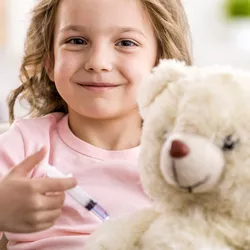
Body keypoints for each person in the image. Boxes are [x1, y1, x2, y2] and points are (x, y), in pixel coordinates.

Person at [0, 0, 192, 249]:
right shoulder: (24, 146)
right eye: (77, 41)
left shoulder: (182, 157)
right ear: (49, 61)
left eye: (126, 43)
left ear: (160, 63)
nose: (98, 62)